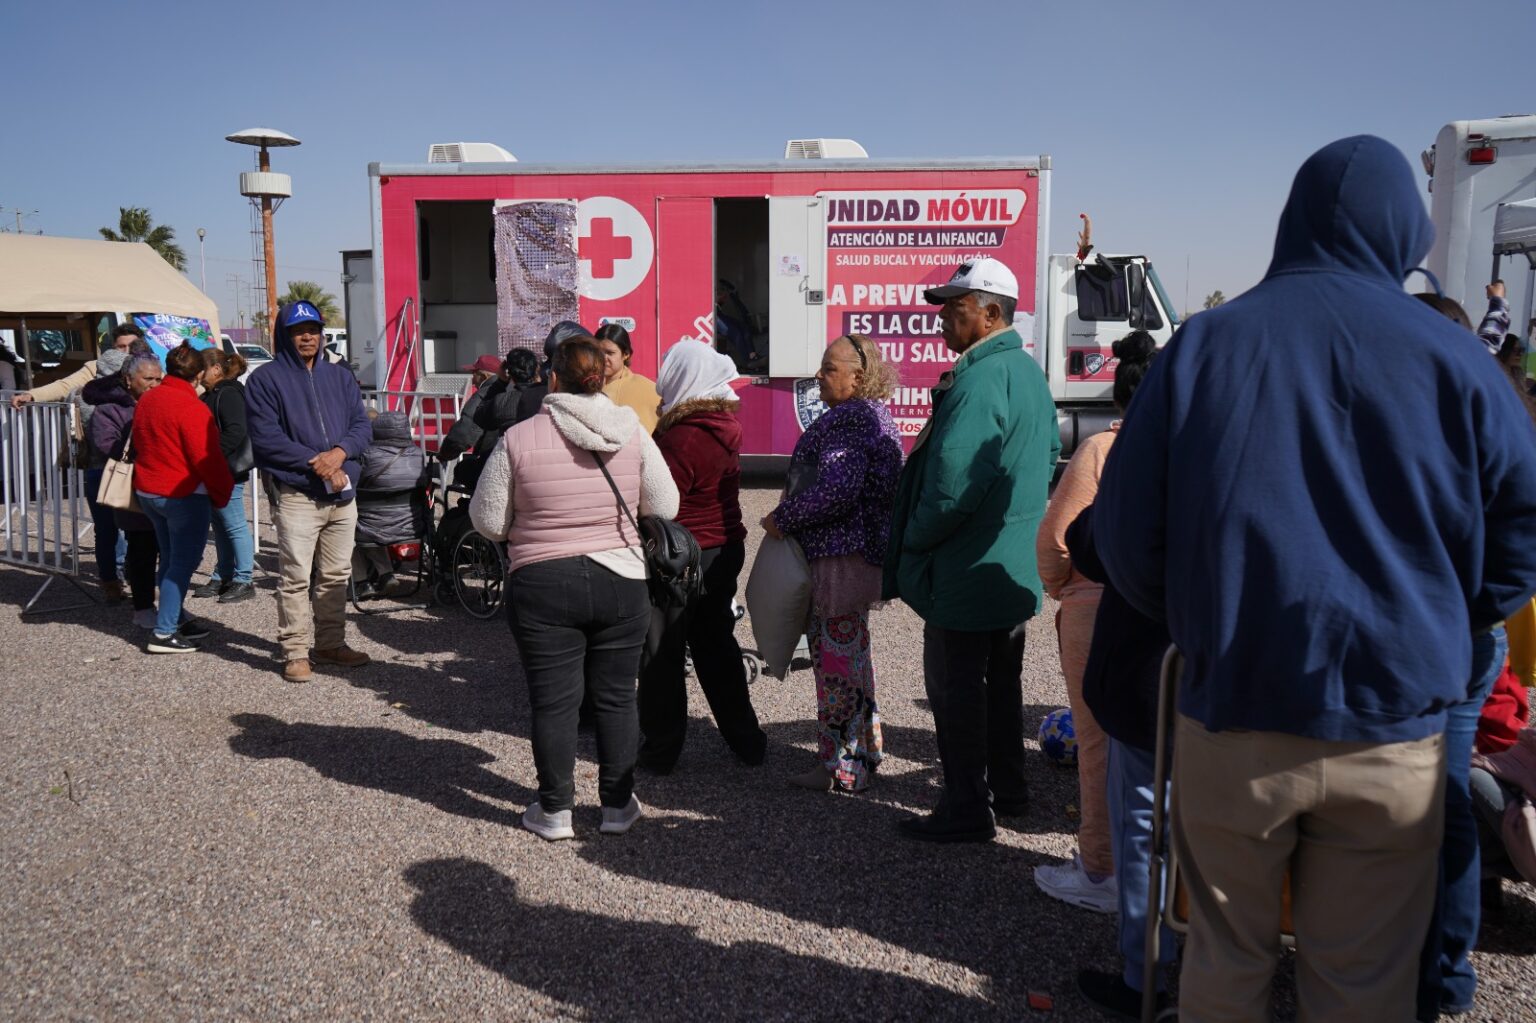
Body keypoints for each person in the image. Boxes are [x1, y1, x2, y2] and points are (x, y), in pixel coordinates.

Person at [1093, 135, 1536, 1021]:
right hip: (1394, 732)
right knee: (1362, 979)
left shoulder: (1204, 347)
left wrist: (1205, 613)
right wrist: (1435, 620)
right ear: (1407, 231)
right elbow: (1516, 552)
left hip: (1234, 718)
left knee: (1226, 959)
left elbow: (1125, 535)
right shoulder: (1460, 364)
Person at [469, 337, 680, 841]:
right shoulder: (632, 431)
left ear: (553, 378)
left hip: (543, 581)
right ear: (603, 378)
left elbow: (488, 520)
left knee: (554, 703)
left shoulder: (519, 438)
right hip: (622, 579)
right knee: (615, 699)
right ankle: (616, 806)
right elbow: (665, 505)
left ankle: (555, 810)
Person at [884, 258, 1060, 841]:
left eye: (954, 307)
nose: (941, 317)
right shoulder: (1024, 371)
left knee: (957, 691)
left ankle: (965, 810)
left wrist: (910, 540)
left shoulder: (982, 378)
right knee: (1001, 685)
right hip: (1007, 566)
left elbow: (954, 485)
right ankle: (1009, 790)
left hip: (966, 570)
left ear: (989, 314)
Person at [1033, 331, 1157, 914]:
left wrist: (1067, 590)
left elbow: (1057, 539)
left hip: (1095, 606)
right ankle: (1139, 873)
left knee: (1098, 742)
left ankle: (1102, 868)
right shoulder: (1184, 448)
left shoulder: (1103, 451)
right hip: (1158, 615)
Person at [767, 333, 903, 791]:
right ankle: (865, 749)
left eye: (829, 369)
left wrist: (782, 516)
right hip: (856, 556)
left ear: (857, 376)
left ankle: (841, 768)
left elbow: (837, 491)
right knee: (852, 656)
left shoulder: (848, 420)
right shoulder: (873, 415)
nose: (819, 377)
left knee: (836, 665)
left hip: (839, 559)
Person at [638, 341, 766, 773]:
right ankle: (747, 741)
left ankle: (661, 750)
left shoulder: (684, 435)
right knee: (716, 648)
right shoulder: (721, 424)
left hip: (681, 557)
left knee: (662, 654)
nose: (661, 388)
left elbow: (659, 502)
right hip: (723, 549)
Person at [246, 301, 374, 684]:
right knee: (296, 577)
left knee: (336, 575)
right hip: (299, 493)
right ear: (284, 336)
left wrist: (339, 455)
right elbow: (266, 439)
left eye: (314, 329)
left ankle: (330, 644)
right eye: (299, 330)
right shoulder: (265, 379)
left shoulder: (340, 376)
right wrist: (316, 462)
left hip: (342, 493)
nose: (308, 336)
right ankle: (296, 651)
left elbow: (362, 427)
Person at [131, 343, 234, 655]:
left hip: (150, 490)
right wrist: (222, 491)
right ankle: (163, 632)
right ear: (200, 374)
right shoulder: (191, 408)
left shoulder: (149, 398)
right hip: (182, 494)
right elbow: (207, 458)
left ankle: (172, 617)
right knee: (182, 563)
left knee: (169, 556)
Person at [85, 353, 163, 630]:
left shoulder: (164, 401)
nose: (155, 384)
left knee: (169, 551)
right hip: (134, 490)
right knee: (141, 550)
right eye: (148, 379)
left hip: (167, 488)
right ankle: (142, 607)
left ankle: (170, 607)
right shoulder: (109, 410)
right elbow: (107, 447)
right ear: (129, 380)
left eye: (158, 378)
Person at [190, 349, 255, 603]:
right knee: (221, 526)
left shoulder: (227, 394)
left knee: (234, 525)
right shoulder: (212, 394)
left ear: (216, 369)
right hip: (217, 470)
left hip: (228, 471)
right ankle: (223, 575)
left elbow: (236, 431)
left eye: (201, 368)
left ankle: (243, 579)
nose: (197, 373)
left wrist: (212, 457)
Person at [352, 410, 431, 598]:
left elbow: (353, 482)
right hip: (413, 527)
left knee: (348, 528)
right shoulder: (418, 454)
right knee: (376, 525)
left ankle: (361, 582)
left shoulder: (366, 455)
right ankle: (385, 574)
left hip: (370, 526)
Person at [9, 323, 147, 409]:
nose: (127, 351)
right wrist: (32, 395)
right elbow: (65, 386)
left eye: (132, 346)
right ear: (113, 348)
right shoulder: (95, 367)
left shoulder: (152, 369)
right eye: (121, 347)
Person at [595, 323, 660, 433]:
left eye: (610, 353)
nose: (603, 358)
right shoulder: (585, 387)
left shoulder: (646, 389)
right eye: (598, 352)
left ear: (626, 354)